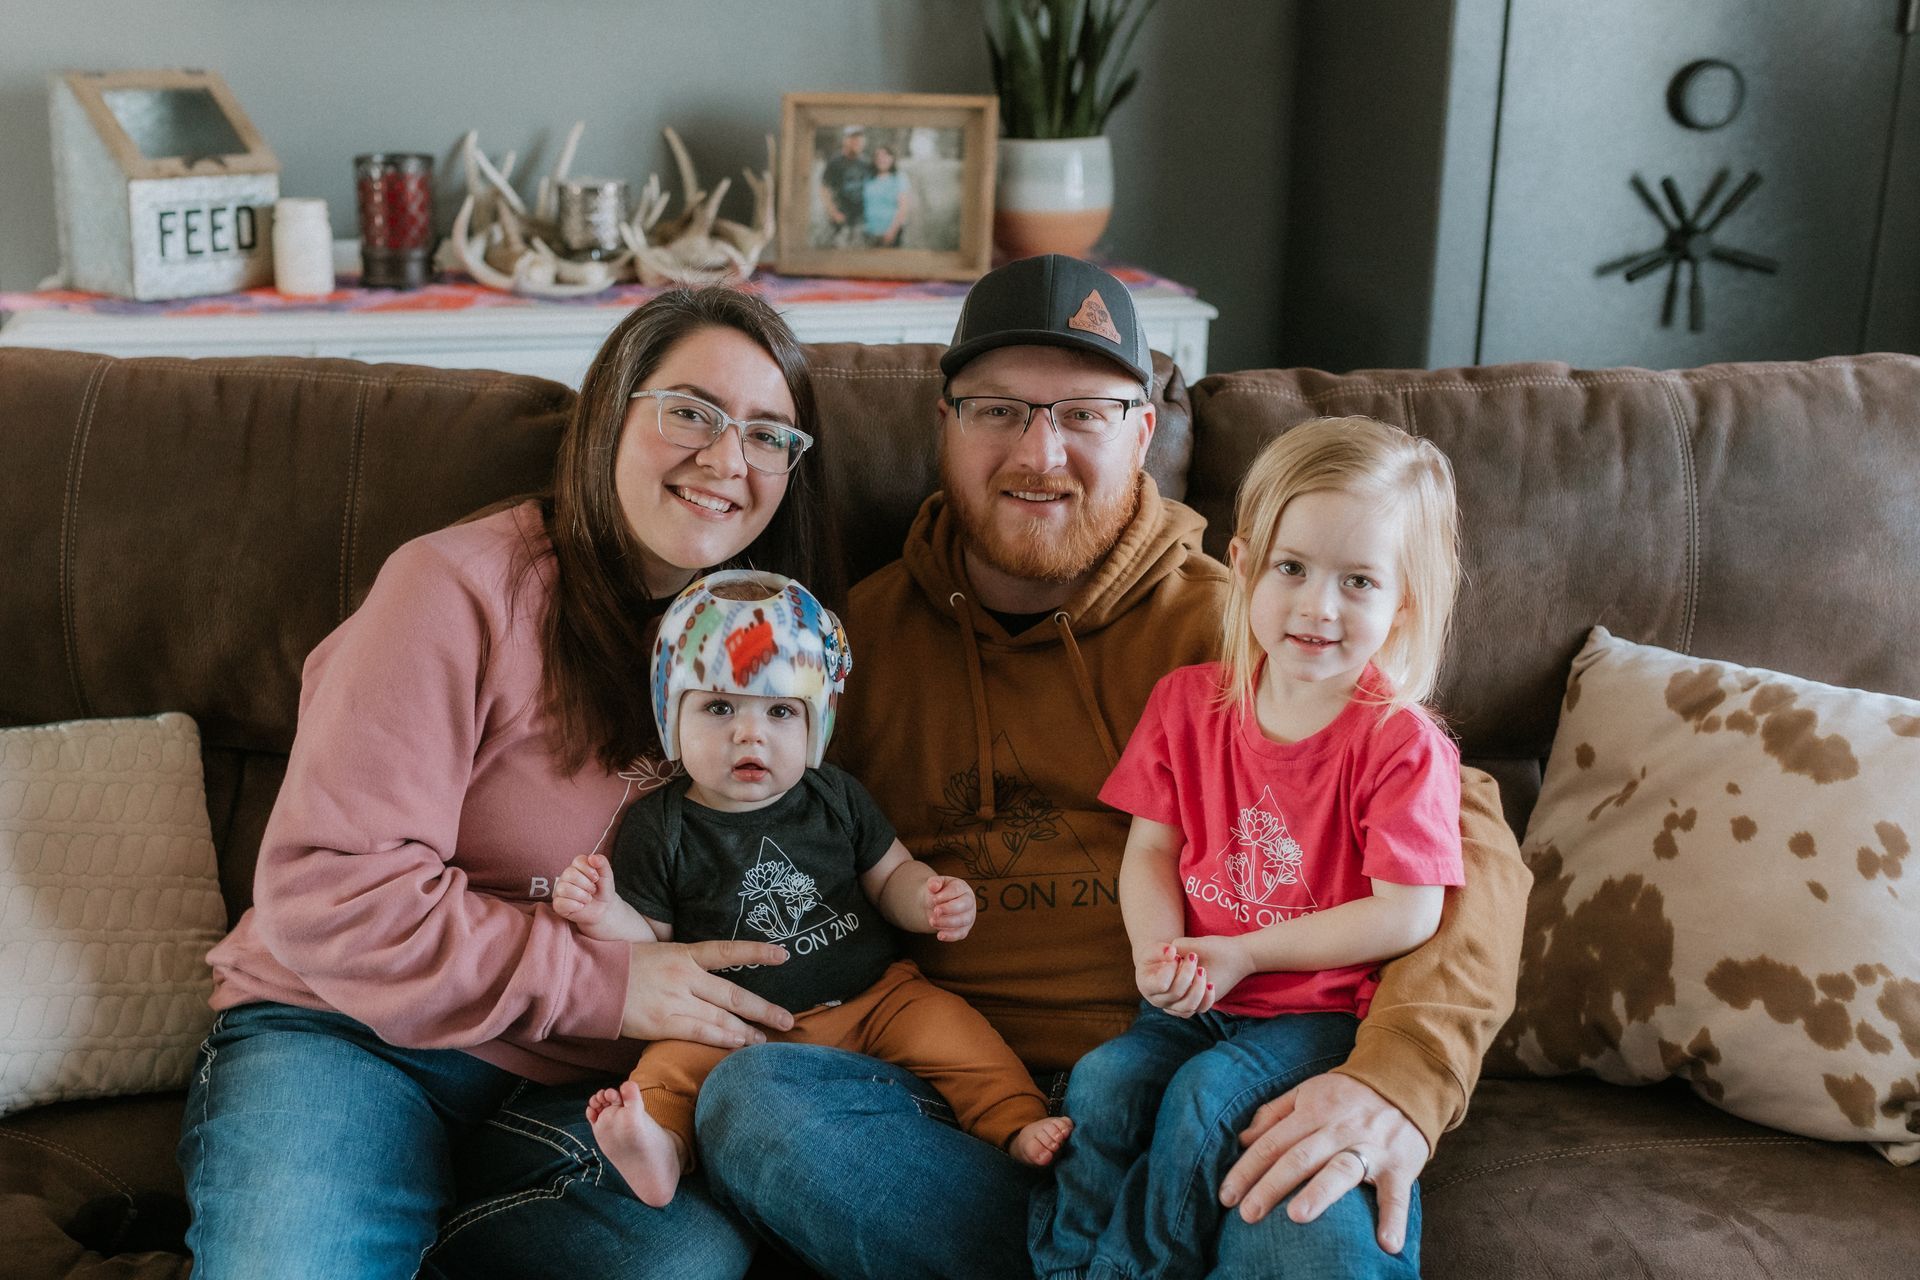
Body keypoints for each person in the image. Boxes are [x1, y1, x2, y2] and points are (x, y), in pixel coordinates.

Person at [693, 254, 1529, 1278]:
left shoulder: (1250, 624)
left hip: (1215, 1067)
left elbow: (1470, 836)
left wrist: (1402, 1078)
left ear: (1146, 432)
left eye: (1085, 413)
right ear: (944, 426)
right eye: (998, 409)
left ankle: (1108, 1251)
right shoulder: (842, 645)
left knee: (1306, 1237)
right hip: (955, 1097)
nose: (1040, 452)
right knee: (752, 1105)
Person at [177, 286, 839, 1280]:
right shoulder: (454, 587)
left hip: (565, 1083)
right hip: (348, 1030)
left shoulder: (783, 645)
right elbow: (335, 893)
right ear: (610, 411)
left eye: (766, 433)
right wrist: (608, 981)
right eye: (691, 413)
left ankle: (406, 1229)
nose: (725, 459)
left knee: (685, 1257)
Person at [1029, 416, 1466, 1279]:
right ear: (1244, 565)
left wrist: (1244, 950)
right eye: (1292, 568)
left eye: (1359, 582)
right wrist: (1158, 949)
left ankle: (1133, 1270)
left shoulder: (1401, 744)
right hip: (1193, 994)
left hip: (1315, 1015)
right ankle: (1067, 1267)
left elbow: (1407, 910)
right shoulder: (1189, 704)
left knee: (1200, 1103)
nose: (1317, 606)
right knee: (1104, 1086)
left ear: (1404, 602)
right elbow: (1151, 852)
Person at [550, 570, 1071, 1208]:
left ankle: (1013, 1121)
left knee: (958, 1035)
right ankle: (657, 1148)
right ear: (670, 716)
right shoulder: (660, 827)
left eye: (780, 711)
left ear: (816, 724)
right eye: (719, 707)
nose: (751, 733)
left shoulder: (835, 796)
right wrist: (605, 914)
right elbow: (653, 946)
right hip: (730, 1023)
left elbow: (891, 877)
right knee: (668, 1069)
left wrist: (929, 896)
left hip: (874, 998)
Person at [818, 125, 873, 248]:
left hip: (860, 220)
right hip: (840, 219)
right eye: (853, 139)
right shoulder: (835, 162)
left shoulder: (866, 162)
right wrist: (833, 212)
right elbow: (824, 189)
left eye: (859, 140)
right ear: (845, 141)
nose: (857, 143)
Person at [861, 145, 912, 247]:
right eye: (878, 156)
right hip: (869, 232)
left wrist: (892, 232)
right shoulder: (869, 178)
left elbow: (903, 208)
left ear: (892, 159)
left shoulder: (899, 178)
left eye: (885, 156)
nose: (881, 159)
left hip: (890, 233)